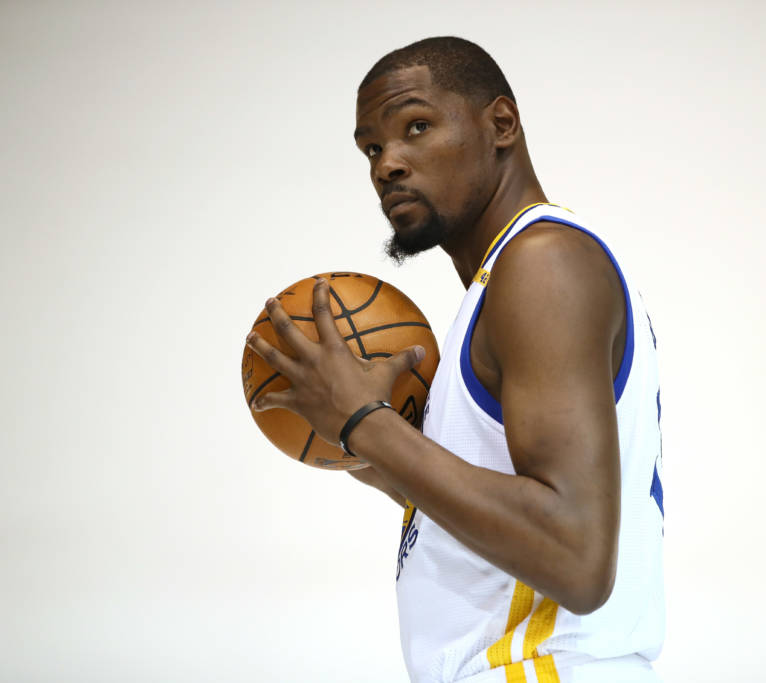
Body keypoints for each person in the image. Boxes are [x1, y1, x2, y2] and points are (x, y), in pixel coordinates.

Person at [245, 36, 665, 683]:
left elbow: (575, 559)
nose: (387, 165)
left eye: (416, 127)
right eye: (371, 148)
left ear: (502, 124)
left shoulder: (543, 263)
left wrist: (365, 422)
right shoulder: (502, 283)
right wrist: (371, 450)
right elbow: (509, 532)